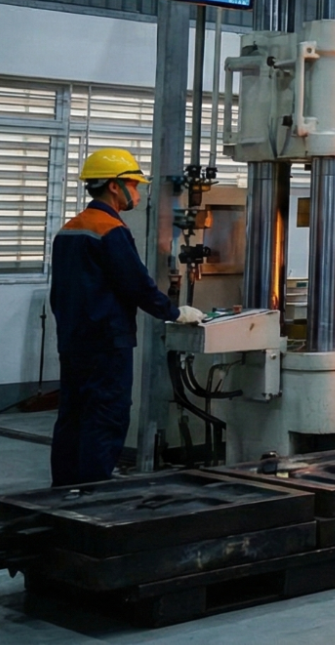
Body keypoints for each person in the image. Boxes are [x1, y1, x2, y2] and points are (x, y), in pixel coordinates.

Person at [50, 148, 203, 486]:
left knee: (73, 415)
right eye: (134, 185)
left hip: (73, 341)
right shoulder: (110, 230)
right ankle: (95, 492)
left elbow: (59, 292)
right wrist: (175, 312)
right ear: (115, 187)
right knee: (106, 416)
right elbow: (136, 284)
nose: (137, 192)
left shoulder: (69, 229)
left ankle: (62, 491)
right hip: (107, 342)